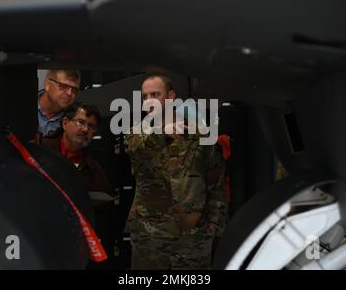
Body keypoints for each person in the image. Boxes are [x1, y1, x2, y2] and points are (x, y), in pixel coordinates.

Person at [124, 73, 229, 270]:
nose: (149, 101)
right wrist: (163, 131)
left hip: (194, 237)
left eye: (155, 94)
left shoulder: (202, 136)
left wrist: (214, 225)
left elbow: (217, 184)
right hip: (151, 236)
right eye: (144, 97)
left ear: (171, 96)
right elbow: (137, 150)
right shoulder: (136, 134)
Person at [35, 102, 112, 253]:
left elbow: (100, 216)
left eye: (91, 126)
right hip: (36, 238)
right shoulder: (39, 152)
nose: (85, 129)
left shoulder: (95, 171)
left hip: (72, 247)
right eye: (81, 122)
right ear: (65, 123)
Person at [37, 69, 81, 137]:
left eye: (74, 89)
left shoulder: (73, 121)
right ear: (47, 84)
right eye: (63, 86)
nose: (69, 93)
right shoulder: (21, 106)